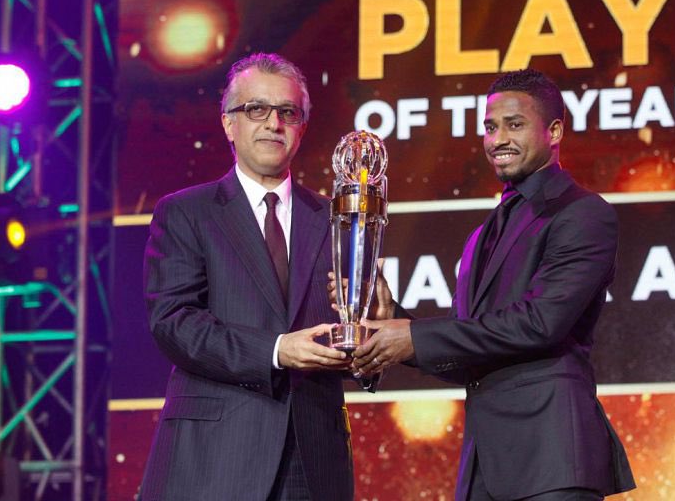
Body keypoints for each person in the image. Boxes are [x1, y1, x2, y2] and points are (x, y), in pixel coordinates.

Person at [352, 69, 636, 500]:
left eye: (514, 125)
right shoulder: (483, 234)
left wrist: (412, 337)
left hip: (552, 463)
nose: (497, 139)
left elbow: (541, 323)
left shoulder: (582, 213)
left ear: (554, 131)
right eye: (490, 127)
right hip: (484, 469)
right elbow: (468, 353)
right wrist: (392, 317)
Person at [139, 53, 356, 501]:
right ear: (228, 123)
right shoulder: (186, 212)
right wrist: (277, 351)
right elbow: (174, 323)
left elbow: (353, 333)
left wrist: (375, 324)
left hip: (312, 461)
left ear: (302, 126)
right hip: (214, 458)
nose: (274, 123)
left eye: (288, 112)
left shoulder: (336, 219)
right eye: (257, 109)